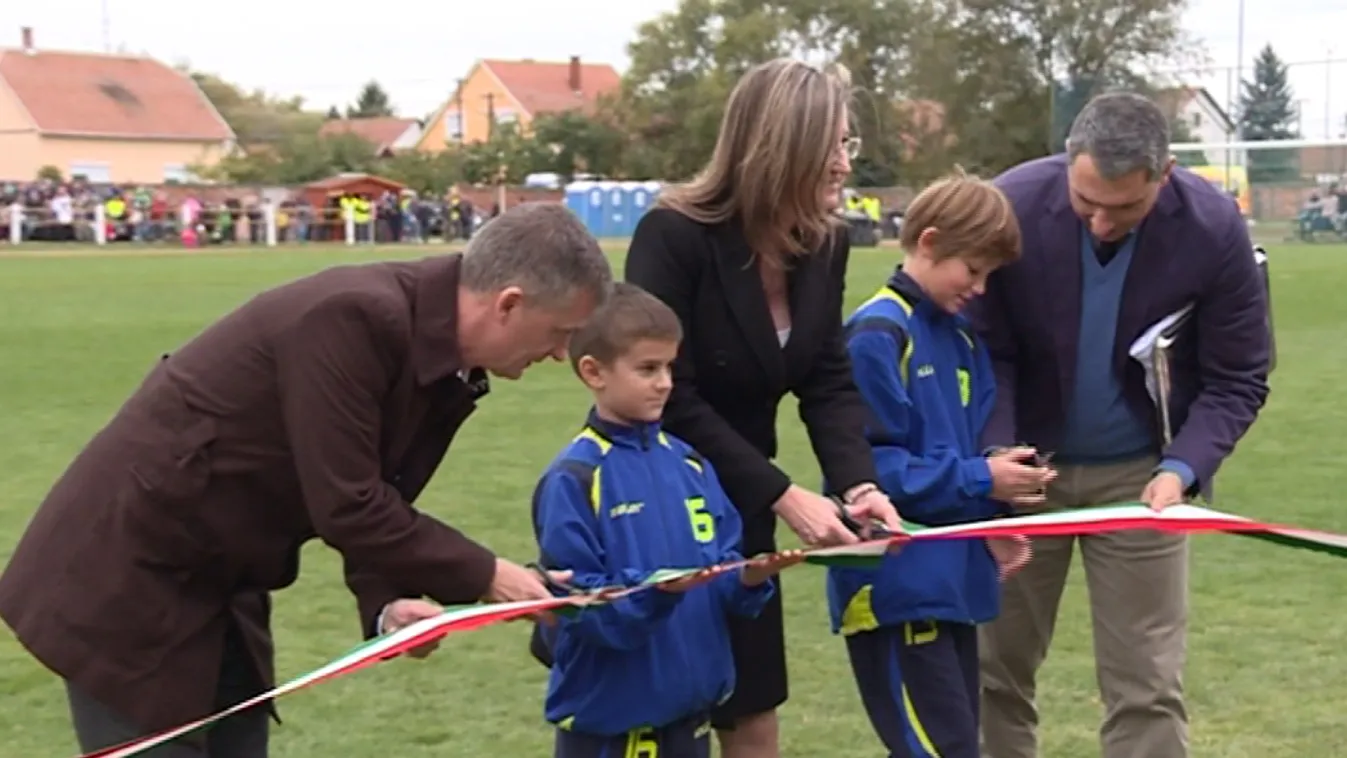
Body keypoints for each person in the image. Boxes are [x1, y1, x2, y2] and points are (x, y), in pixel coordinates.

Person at [0, 202, 612, 758]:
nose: (559, 355)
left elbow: (378, 489)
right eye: (560, 333)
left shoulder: (447, 362)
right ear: (508, 303)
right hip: (122, 585)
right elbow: (349, 505)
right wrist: (490, 576)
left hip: (221, 591)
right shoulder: (351, 319)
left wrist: (385, 604)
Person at [969, 92, 1272, 758]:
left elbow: (1238, 376)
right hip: (1016, 476)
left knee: (1146, 686)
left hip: (1142, 480)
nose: (1101, 224)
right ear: (1067, 163)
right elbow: (981, 347)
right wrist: (995, 456)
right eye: (1086, 204)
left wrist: (1180, 468)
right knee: (991, 672)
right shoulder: (1009, 206)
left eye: (1124, 208)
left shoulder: (1212, 227)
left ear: (1163, 177)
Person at [624, 58, 905, 758]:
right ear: (784, 148)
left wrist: (857, 482)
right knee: (656, 715)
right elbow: (668, 397)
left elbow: (827, 377)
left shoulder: (826, 241)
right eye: (832, 147)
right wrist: (784, 496)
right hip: (656, 501)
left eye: (848, 145)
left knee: (753, 711)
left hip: (746, 505)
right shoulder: (673, 236)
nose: (844, 164)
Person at [825, 174, 1050, 758]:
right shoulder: (878, 335)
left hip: (954, 584)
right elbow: (869, 474)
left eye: (988, 276)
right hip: (897, 587)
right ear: (928, 241)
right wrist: (981, 478)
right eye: (972, 270)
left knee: (957, 745)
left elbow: (959, 451)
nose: (979, 287)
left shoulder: (962, 341)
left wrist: (1000, 489)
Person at [531, 282, 805, 758]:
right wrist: (657, 592)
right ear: (593, 372)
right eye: (647, 368)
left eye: (669, 367)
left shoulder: (692, 465)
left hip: (689, 720)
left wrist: (746, 580)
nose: (664, 383)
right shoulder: (574, 479)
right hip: (612, 732)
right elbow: (580, 609)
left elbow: (717, 573)